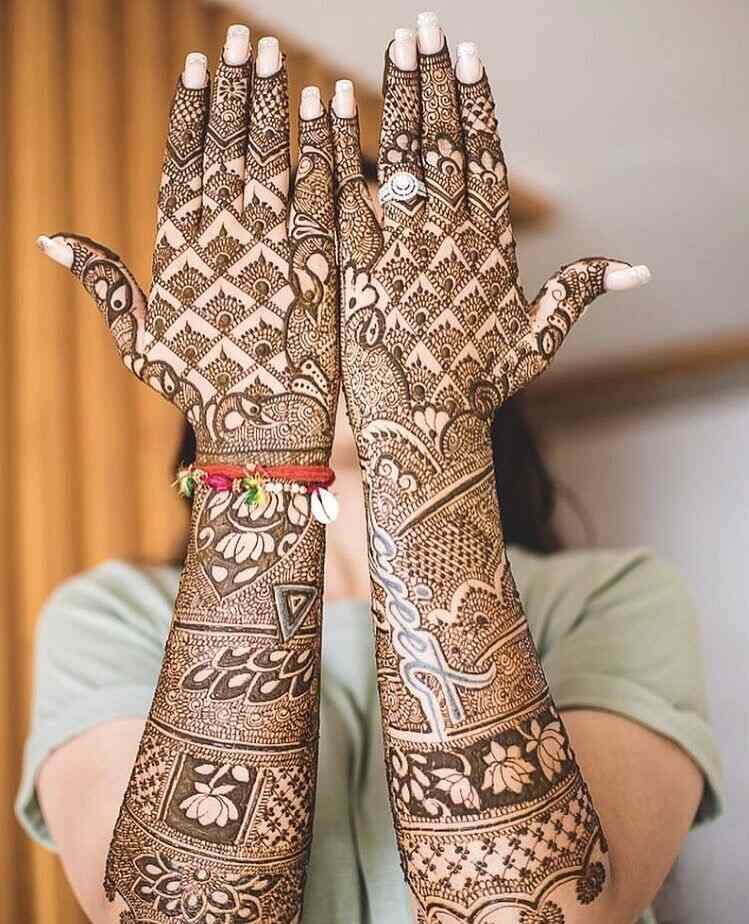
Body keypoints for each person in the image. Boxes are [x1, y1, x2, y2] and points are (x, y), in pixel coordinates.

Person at [18, 12, 722, 924]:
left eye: (376, 285)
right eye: (295, 282)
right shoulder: (110, 615)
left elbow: (531, 911)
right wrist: (260, 442)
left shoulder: (611, 597)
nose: (339, 318)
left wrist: (429, 432)